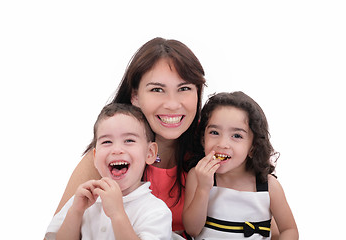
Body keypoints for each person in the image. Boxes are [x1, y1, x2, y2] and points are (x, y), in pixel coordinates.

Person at [53, 37, 206, 235]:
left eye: (184, 88)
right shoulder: (109, 155)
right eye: (157, 89)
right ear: (135, 96)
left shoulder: (212, 144)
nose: (172, 104)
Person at [45, 103, 172, 240]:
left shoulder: (156, 211)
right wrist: (76, 211)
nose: (117, 150)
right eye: (106, 142)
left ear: (150, 153)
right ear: (95, 156)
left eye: (129, 140)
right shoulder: (81, 200)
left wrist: (117, 214)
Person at [182, 92, 298, 239]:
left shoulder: (269, 186)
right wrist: (203, 189)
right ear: (203, 139)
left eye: (236, 136)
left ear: (253, 147)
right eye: (214, 132)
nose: (222, 144)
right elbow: (192, 230)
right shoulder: (197, 176)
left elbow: (289, 229)